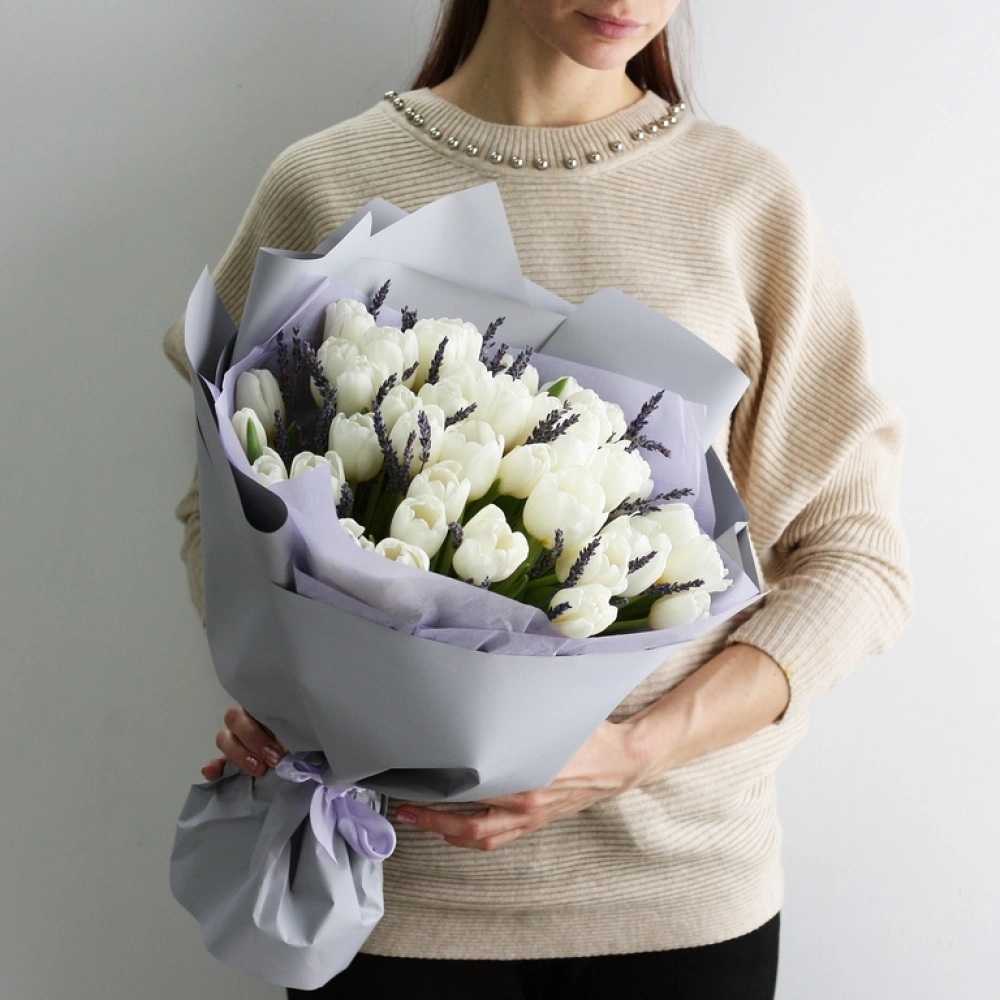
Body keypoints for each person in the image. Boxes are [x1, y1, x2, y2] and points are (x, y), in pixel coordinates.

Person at [164, 2, 912, 996]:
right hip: (377, 895)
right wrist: (282, 692)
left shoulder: (742, 199)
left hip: (673, 902)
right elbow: (221, 509)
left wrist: (634, 749)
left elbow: (857, 557)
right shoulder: (327, 183)